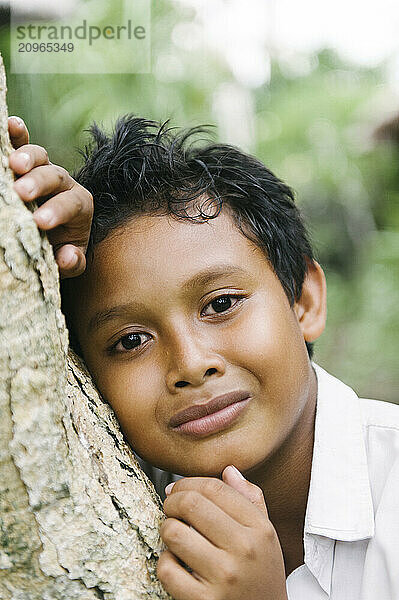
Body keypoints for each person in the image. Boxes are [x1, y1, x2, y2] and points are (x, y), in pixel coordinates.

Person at [7, 114, 399, 600]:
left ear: (304, 300)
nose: (190, 364)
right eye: (131, 340)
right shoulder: (95, 498)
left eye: (220, 305)